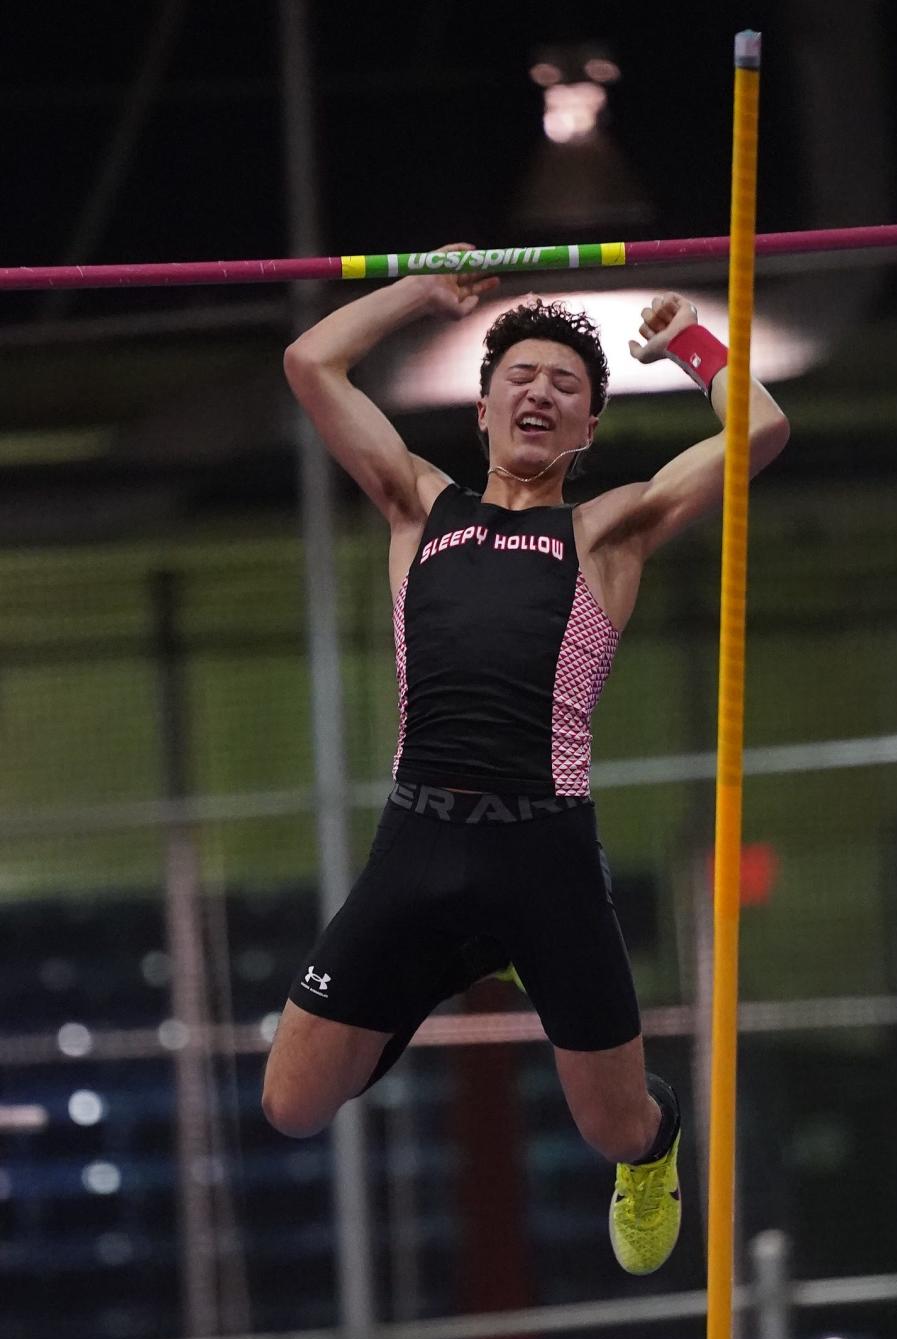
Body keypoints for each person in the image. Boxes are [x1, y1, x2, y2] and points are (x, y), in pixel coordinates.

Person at [262, 244, 789, 1275]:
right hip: (419, 838)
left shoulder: (607, 532)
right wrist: (425, 289)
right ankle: (430, 975)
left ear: (589, 426)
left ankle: (656, 1146)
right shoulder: (418, 505)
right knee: (291, 1105)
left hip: (544, 853)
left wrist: (689, 342)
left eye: (566, 387)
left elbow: (760, 430)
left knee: (613, 1129)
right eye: (521, 378)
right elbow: (311, 365)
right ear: (485, 407)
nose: (540, 394)